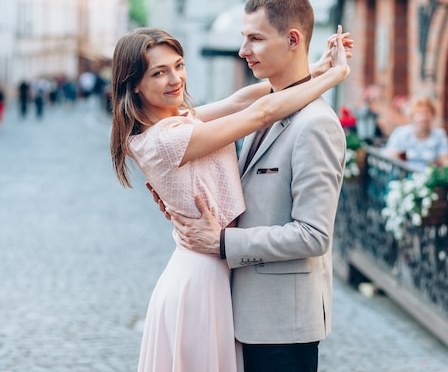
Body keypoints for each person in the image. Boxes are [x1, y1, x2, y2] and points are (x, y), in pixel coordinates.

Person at [111, 21, 350, 371]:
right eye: (159, 73)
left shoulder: (177, 121)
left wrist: (317, 69)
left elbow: (241, 99)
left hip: (208, 269)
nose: (175, 79)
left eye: (178, 66)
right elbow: (262, 113)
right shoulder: (166, 139)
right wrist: (336, 76)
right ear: (133, 86)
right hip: (202, 275)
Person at [384, 95, 448, 169]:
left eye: (427, 112)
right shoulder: (401, 133)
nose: (424, 117)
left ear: (432, 115)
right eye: (419, 113)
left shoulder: (439, 135)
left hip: (429, 177)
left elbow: (446, 162)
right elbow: (390, 159)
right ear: (412, 116)